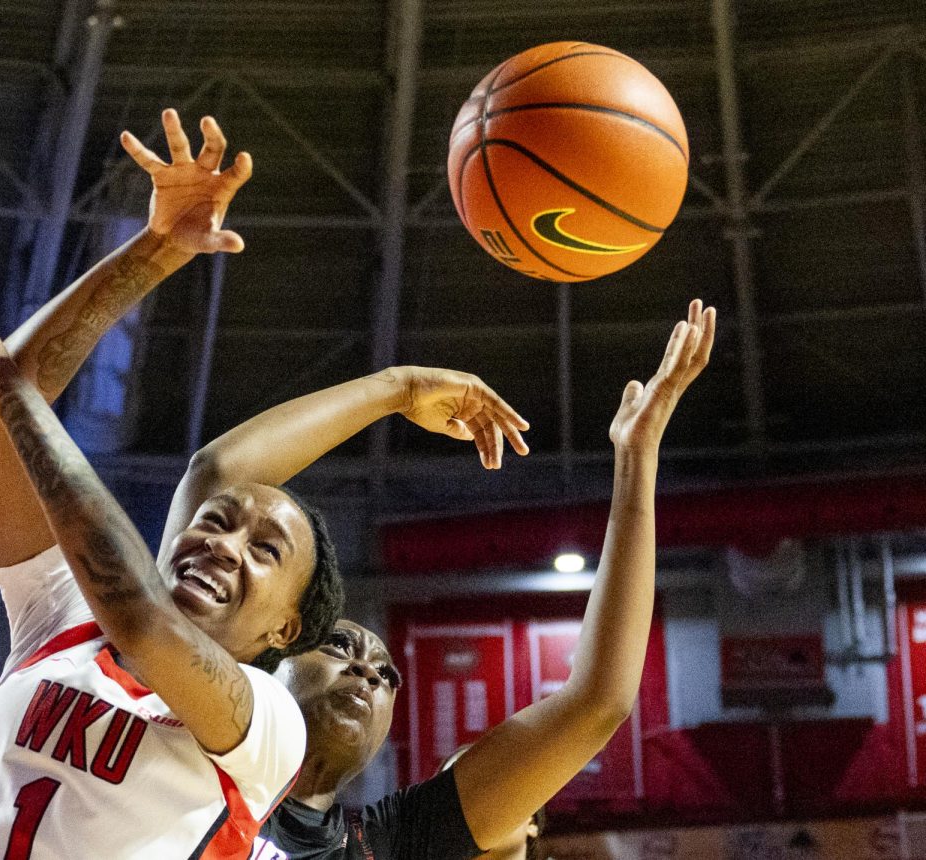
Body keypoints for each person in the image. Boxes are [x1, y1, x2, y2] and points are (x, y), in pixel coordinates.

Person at [0, 110, 351, 859]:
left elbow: (142, 619)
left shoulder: (267, 720)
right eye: (217, 521)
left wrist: (5, 386)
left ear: (284, 631)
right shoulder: (62, 616)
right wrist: (156, 250)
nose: (224, 544)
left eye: (265, 549)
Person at [252, 301, 715, 859]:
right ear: (271, 651)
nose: (366, 672)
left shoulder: (391, 841)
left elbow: (598, 700)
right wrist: (399, 387)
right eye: (338, 644)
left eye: (387, 675)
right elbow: (217, 479)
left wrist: (636, 459)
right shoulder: (198, 751)